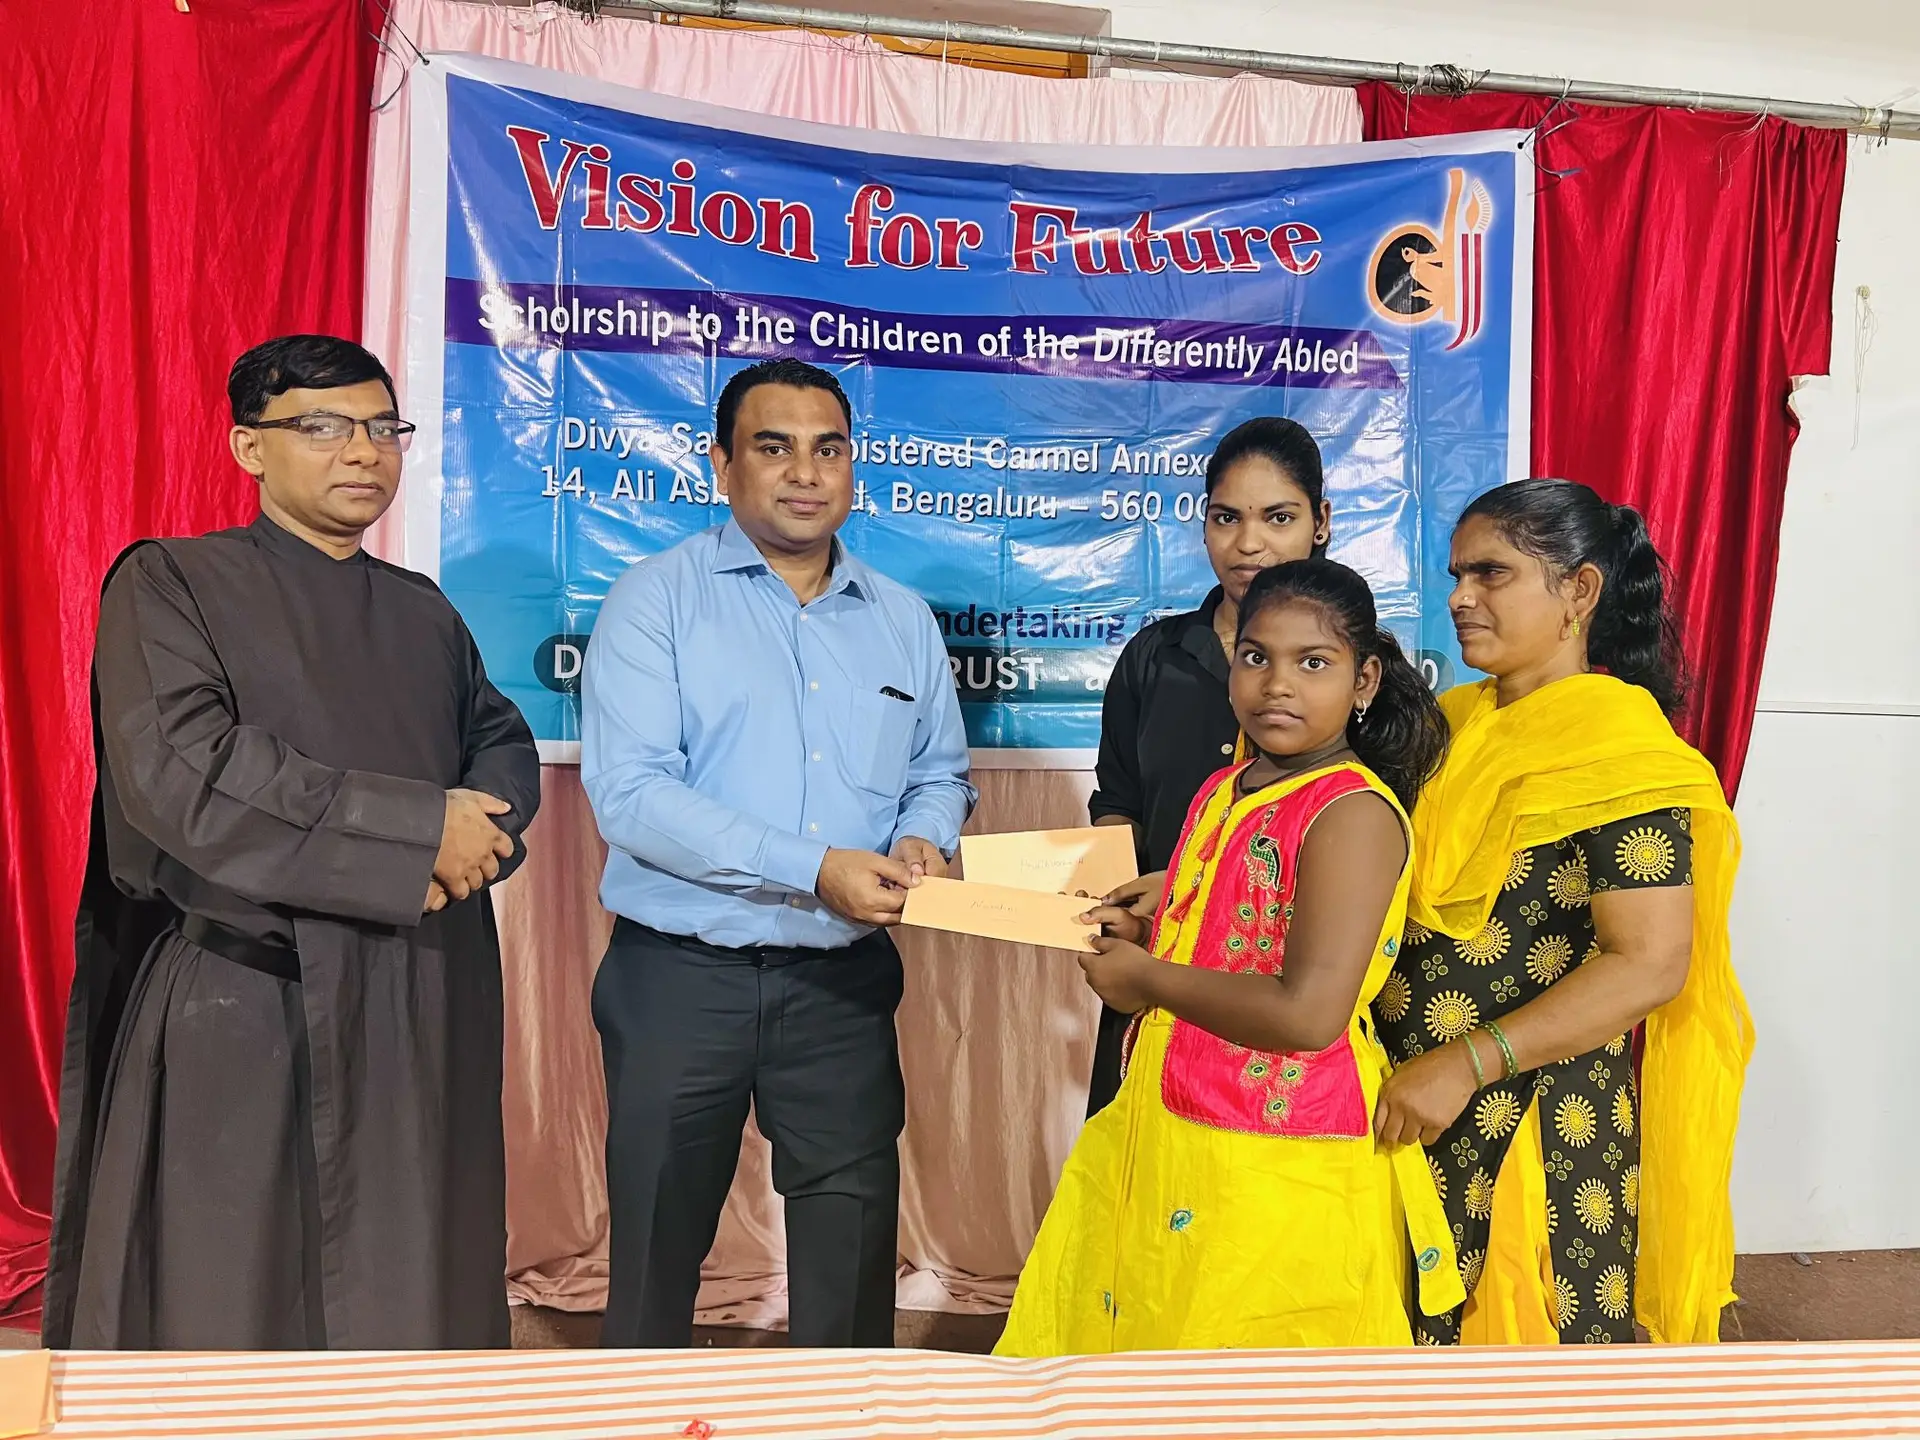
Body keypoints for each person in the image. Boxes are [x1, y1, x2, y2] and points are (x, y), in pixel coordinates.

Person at [42, 335, 541, 1350]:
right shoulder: (171, 582)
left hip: (414, 993)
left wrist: (468, 839)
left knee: (414, 1290)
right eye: (322, 426)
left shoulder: (423, 610)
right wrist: (417, 838)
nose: (361, 450)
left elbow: (498, 744)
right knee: (232, 1296)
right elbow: (188, 773)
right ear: (249, 448)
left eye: (382, 427)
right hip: (246, 994)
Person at [581, 357, 975, 1349]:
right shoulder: (655, 600)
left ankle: (843, 1416)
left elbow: (939, 771)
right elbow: (631, 797)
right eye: (774, 447)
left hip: (840, 986)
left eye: (828, 449)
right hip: (681, 981)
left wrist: (924, 836)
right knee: (655, 1252)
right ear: (722, 466)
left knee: (849, 1261)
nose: (806, 472)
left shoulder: (901, 618)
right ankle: (639, 1415)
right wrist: (814, 867)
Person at [996, 559, 1462, 1354]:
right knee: (1153, 1340)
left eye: (1313, 663)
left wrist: (1148, 979)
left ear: (1364, 680)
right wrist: (1150, 936)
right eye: (1256, 657)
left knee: (1257, 1375)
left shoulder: (1351, 813)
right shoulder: (1227, 787)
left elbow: (1309, 1014)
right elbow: (1230, 941)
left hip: (1279, 1157)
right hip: (1176, 1121)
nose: (1278, 684)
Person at [1371, 478, 1749, 1346]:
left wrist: (1467, 1063)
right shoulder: (1447, 724)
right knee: (1403, 1366)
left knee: (1520, 1379)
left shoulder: (1620, 749)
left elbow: (1649, 964)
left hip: (1535, 1125)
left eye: (1491, 574)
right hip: (1410, 1102)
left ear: (1579, 591)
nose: (1460, 598)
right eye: (1457, 575)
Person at [1083, 416, 1332, 1115]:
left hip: (1287, 994)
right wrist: (1114, 903)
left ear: (1320, 522)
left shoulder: (1352, 669)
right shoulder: (1154, 658)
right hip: (1152, 967)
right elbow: (1118, 802)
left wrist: (1191, 887)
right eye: (1226, 518)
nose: (1249, 543)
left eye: (1278, 517)